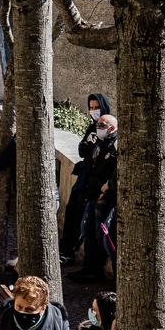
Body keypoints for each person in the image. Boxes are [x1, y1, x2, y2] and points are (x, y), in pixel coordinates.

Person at [58, 93, 112, 257]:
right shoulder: (91, 128)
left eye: (97, 108)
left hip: (96, 183)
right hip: (83, 179)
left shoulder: (108, 127)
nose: (94, 111)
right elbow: (82, 151)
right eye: (91, 108)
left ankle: (74, 253)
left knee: (86, 222)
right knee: (72, 211)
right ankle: (66, 249)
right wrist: (89, 141)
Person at [72, 113, 118, 280]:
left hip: (104, 197)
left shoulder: (115, 145)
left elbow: (114, 173)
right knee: (87, 230)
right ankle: (89, 268)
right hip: (92, 192)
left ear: (112, 128)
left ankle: (96, 270)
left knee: (100, 235)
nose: (98, 128)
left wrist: (105, 190)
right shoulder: (100, 141)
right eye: (98, 124)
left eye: (102, 125)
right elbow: (86, 155)